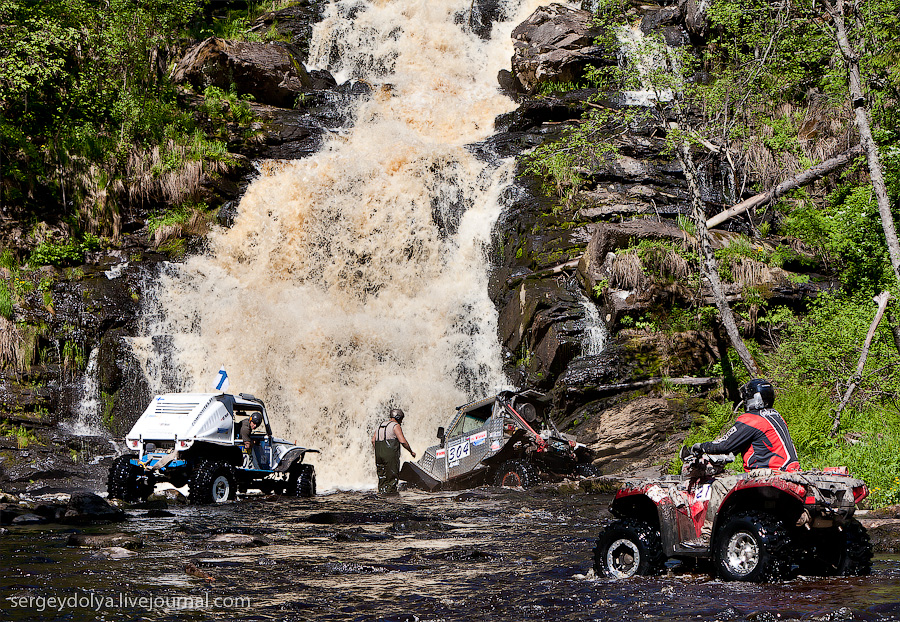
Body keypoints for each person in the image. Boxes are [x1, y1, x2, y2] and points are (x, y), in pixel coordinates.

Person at [683, 378, 800, 548]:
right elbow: (742, 447)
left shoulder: (751, 419)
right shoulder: (775, 416)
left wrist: (699, 447)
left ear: (752, 399)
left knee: (719, 486)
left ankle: (706, 537)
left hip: (769, 472)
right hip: (790, 471)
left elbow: (724, 444)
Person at [371, 408, 415, 494]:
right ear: (398, 417)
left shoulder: (380, 425)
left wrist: (380, 451)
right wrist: (411, 451)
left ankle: (381, 494)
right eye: (401, 419)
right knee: (392, 477)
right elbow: (402, 441)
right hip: (390, 456)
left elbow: (373, 440)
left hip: (379, 454)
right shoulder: (395, 426)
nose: (401, 422)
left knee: (382, 477)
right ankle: (391, 498)